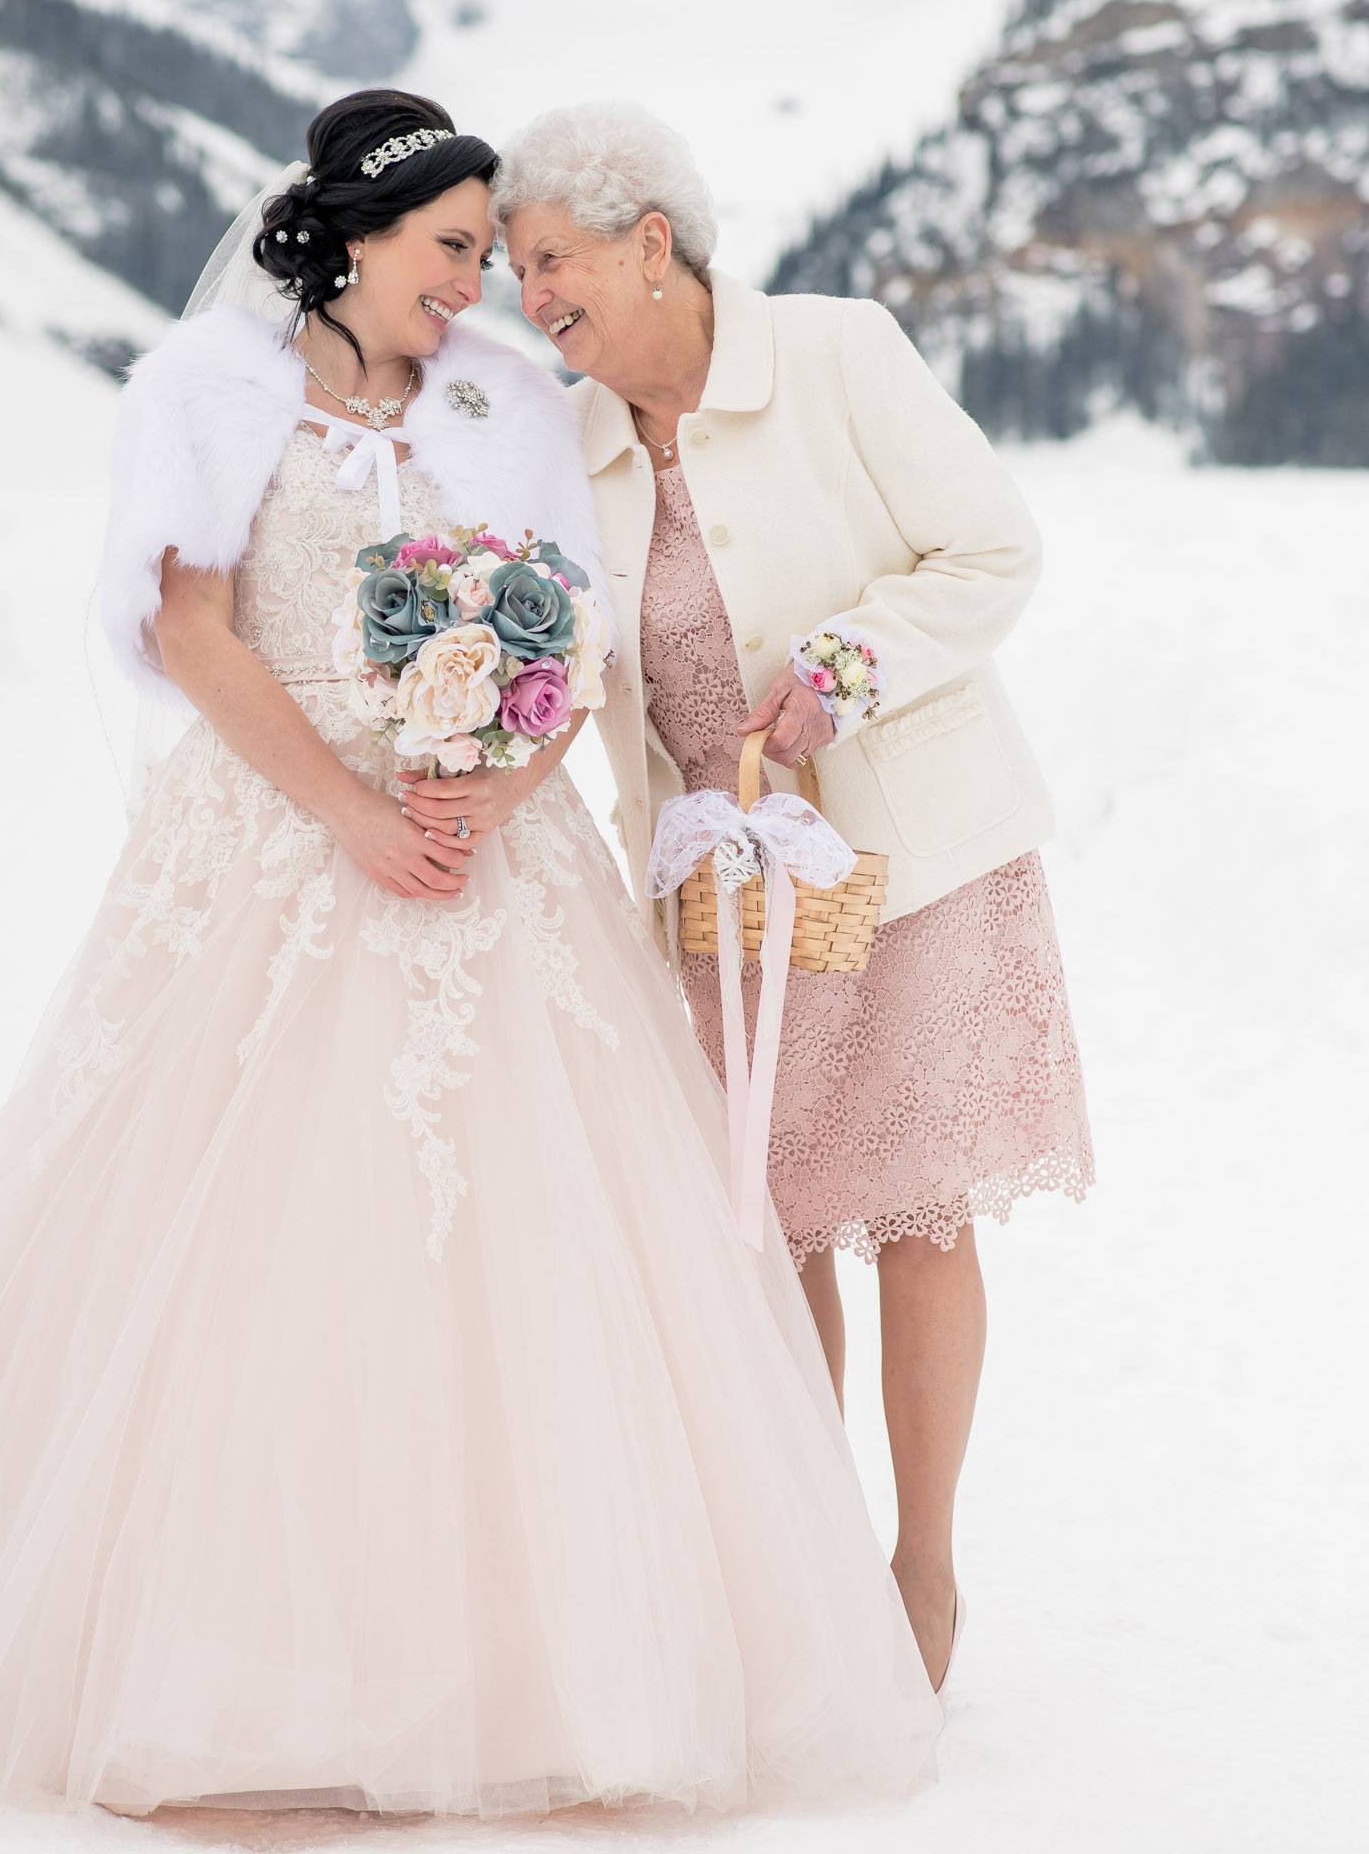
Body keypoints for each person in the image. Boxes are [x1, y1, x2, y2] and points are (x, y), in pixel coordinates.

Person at [0, 90, 940, 1820]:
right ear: (360, 234)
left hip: (489, 849)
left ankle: (553, 1660)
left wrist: (498, 775)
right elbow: (189, 630)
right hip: (279, 826)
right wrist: (351, 812)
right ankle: (226, 1655)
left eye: (490, 254)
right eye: (454, 249)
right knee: (229, 1232)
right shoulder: (210, 396)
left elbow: (569, 623)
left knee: (534, 1251)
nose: (475, 289)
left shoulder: (502, 405)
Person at [496, 99, 1095, 1694]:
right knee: (764, 1237)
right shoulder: (573, 441)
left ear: (650, 242)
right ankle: (803, 1564)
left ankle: (923, 1574)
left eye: (549, 259)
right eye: (508, 270)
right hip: (713, 890)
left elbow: (990, 551)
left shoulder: (835, 354)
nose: (528, 294)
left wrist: (849, 665)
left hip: (911, 862)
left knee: (913, 1212)